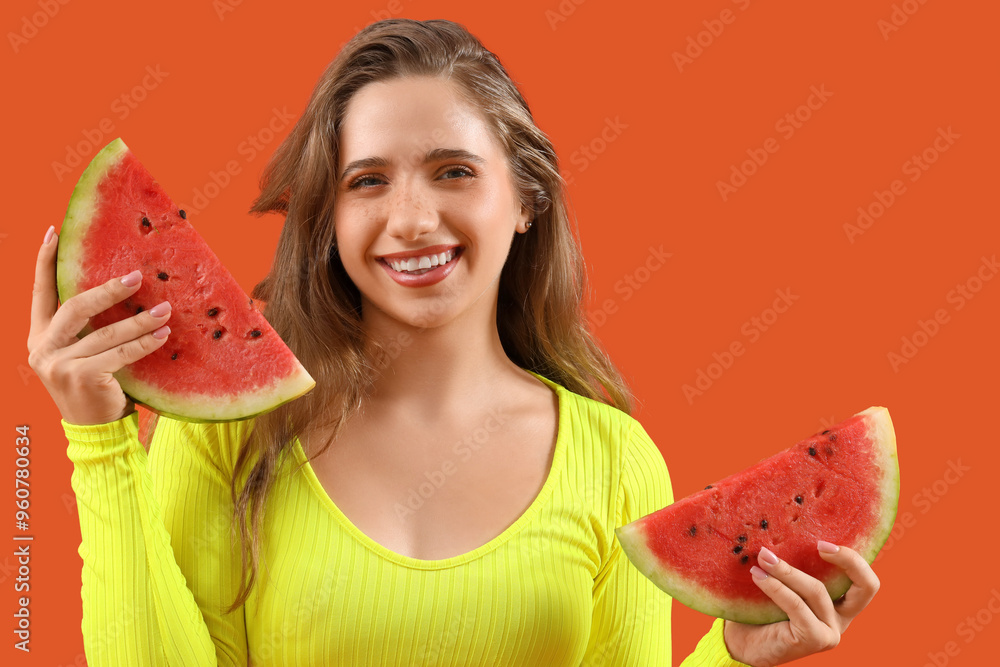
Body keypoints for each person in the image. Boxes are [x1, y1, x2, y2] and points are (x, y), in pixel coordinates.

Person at [27, 18, 880, 667]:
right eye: (368, 181)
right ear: (329, 220)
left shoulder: (615, 458)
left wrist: (732, 656)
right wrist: (99, 440)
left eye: (454, 171)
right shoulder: (227, 434)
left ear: (526, 200)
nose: (411, 219)